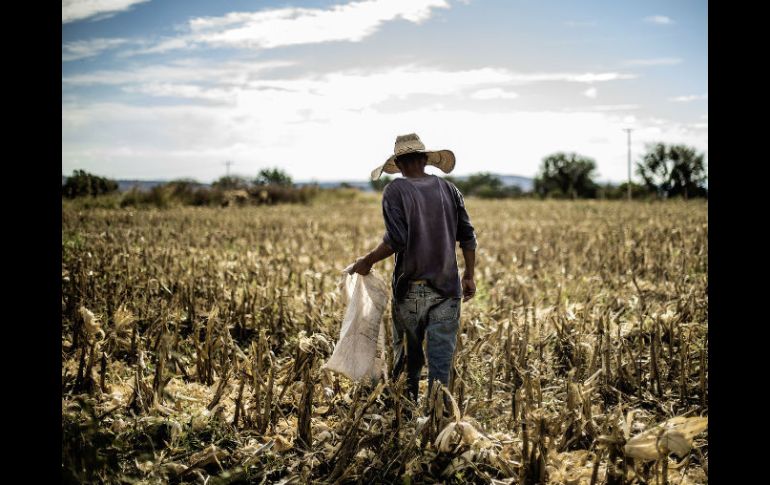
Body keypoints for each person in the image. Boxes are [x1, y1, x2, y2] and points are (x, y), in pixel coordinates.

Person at [347, 133, 477, 404]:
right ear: (424, 159)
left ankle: (405, 413)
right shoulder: (449, 189)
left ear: (399, 163)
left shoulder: (395, 190)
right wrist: (469, 275)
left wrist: (367, 261)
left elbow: (397, 239)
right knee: (441, 361)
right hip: (448, 290)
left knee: (408, 359)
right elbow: (467, 235)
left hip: (412, 291)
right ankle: (439, 414)